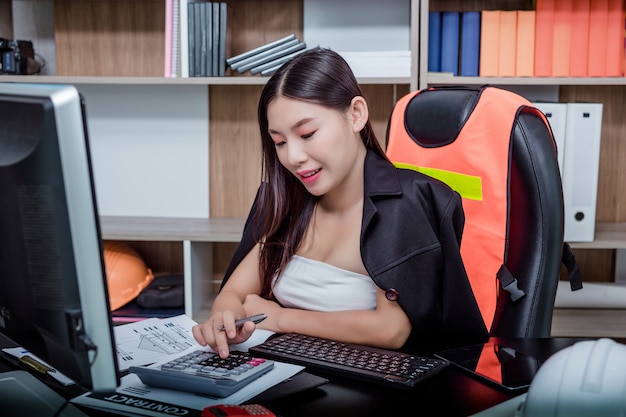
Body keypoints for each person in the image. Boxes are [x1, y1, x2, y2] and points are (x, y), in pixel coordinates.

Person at [192, 47, 487, 359]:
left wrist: (279, 318)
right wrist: (223, 315)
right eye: (279, 142)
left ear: (356, 114)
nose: (293, 157)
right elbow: (235, 292)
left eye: (307, 134)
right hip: (287, 372)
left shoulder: (405, 204)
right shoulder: (290, 201)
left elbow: (391, 330)